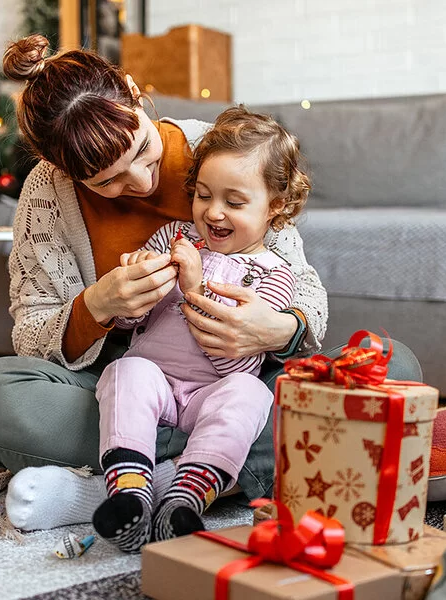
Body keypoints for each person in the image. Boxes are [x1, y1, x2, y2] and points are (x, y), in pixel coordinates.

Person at [0, 35, 421, 533]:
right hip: (123, 385)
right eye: (106, 181)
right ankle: (208, 470)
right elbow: (31, 331)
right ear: (61, 169)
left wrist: (279, 328)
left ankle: (127, 481)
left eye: (141, 150)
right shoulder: (45, 196)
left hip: (239, 381)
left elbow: (302, 286)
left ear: (136, 93)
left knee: (390, 365)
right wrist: (94, 306)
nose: (138, 182)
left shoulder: (226, 151)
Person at [91, 105, 308, 553]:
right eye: (204, 195)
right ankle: (129, 491)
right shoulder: (173, 237)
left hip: (213, 392)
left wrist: (192, 288)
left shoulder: (274, 273)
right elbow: (131, 323)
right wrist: (131, 291)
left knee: (251, 395)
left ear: (276, 206)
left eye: (234, 202)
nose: (213, 213)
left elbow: (240, 364)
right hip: (154, 382)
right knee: (125, 372)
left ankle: (185, 498)